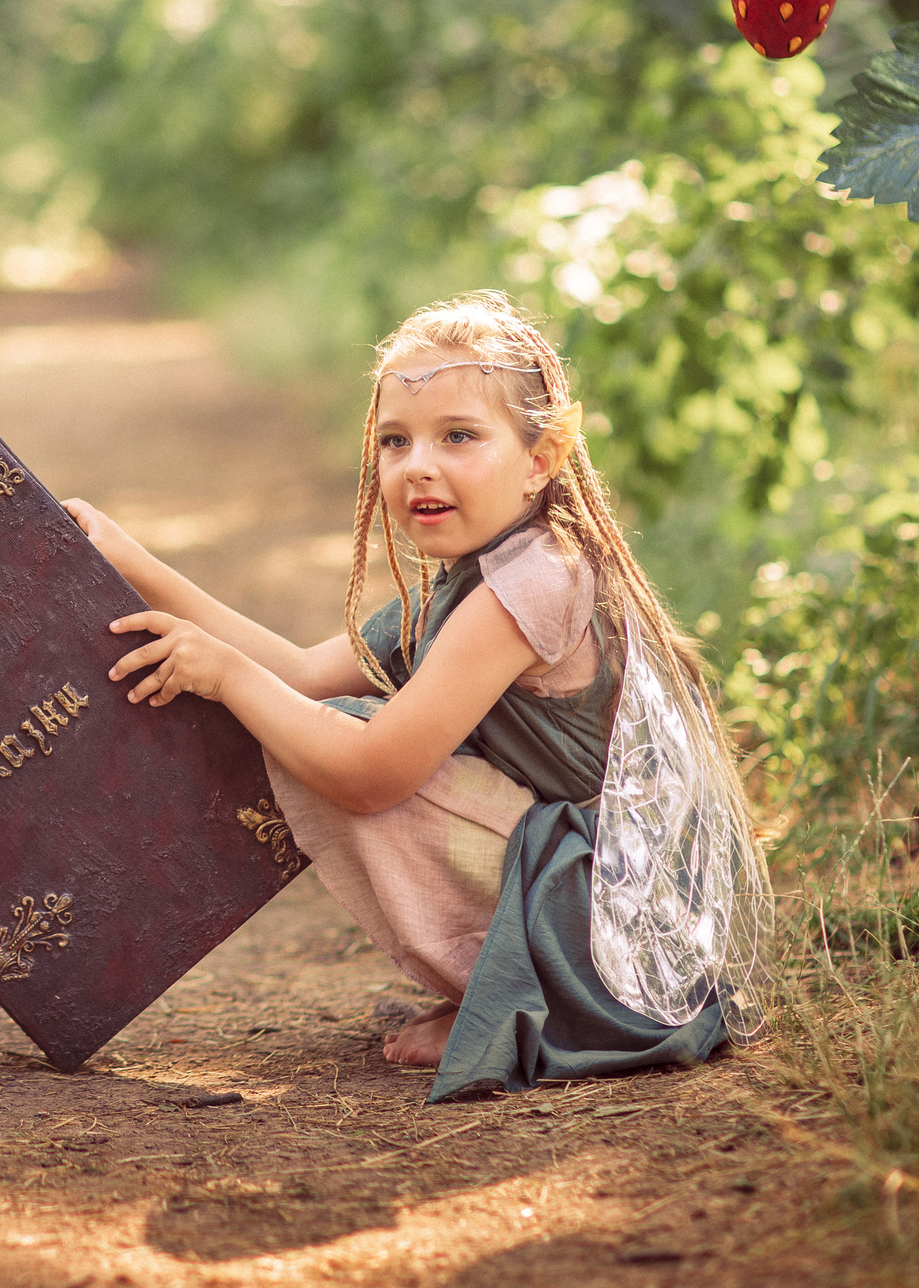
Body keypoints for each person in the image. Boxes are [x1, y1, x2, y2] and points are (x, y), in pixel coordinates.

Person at [64, 291, 769, 1100]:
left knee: (333, 735)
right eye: (395, 442)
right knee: (304, 715)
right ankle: (502, 990)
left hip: (621, 926)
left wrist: (224, 675)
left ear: (543, 457)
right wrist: (124, 556)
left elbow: (373, 773)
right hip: (593, 892)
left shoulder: (538, 578)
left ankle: (524, 1002)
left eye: (459, 436)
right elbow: (298, 669)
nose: (418, 466)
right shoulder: (464, 580)